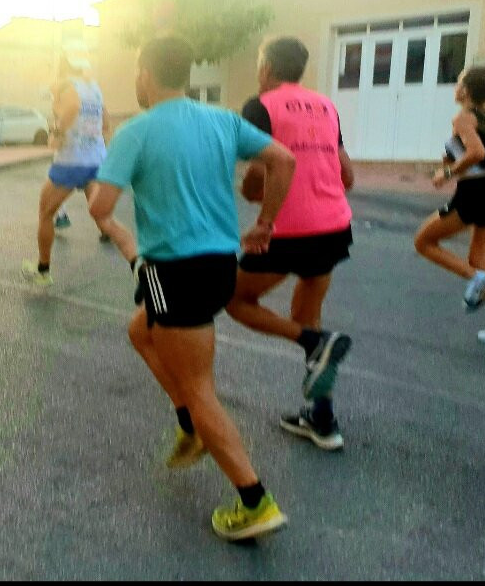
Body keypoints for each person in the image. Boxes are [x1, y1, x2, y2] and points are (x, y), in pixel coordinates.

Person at [88, 36, 296, 542]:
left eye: (137, 71)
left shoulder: (136, 131)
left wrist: (121, 235)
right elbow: (283, 160)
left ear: (147, 73)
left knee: (200, 386)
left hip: (172, 274)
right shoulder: (220, 119)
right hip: (220, 268)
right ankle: (187, 422)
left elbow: (100, 207)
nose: (135, 81)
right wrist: (265, 222)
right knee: (141, 331)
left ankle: (254, 499)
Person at [225, 37, 356, 451]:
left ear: (265, 67)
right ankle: (322, 418)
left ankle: (314, 344)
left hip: (290, 230)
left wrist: (259, 206)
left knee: (235, 299)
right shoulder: (326, 106)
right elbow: (346, 175)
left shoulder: (260, 106)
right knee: (306, 312)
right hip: (334, 226)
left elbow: (261, 174)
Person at [414, 66, 485, 347]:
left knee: (424, 241)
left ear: (466, 90)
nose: (456, 85)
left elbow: (478, 152)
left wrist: (448, 174)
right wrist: (459, 162)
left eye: (459, 81)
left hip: (476, 195)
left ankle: (476, 279)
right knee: (482, 261)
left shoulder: (465, 118)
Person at [22, 52, 134, 286]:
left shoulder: (64, 84)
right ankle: (139, 265)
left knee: (45, 214)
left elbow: (72, 106)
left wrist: (58, 132)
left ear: (63, 67)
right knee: (104, 218)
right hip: (97, 160)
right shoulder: (94, 87)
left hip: (71, 162)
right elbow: (105, 122)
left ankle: (43, 270)